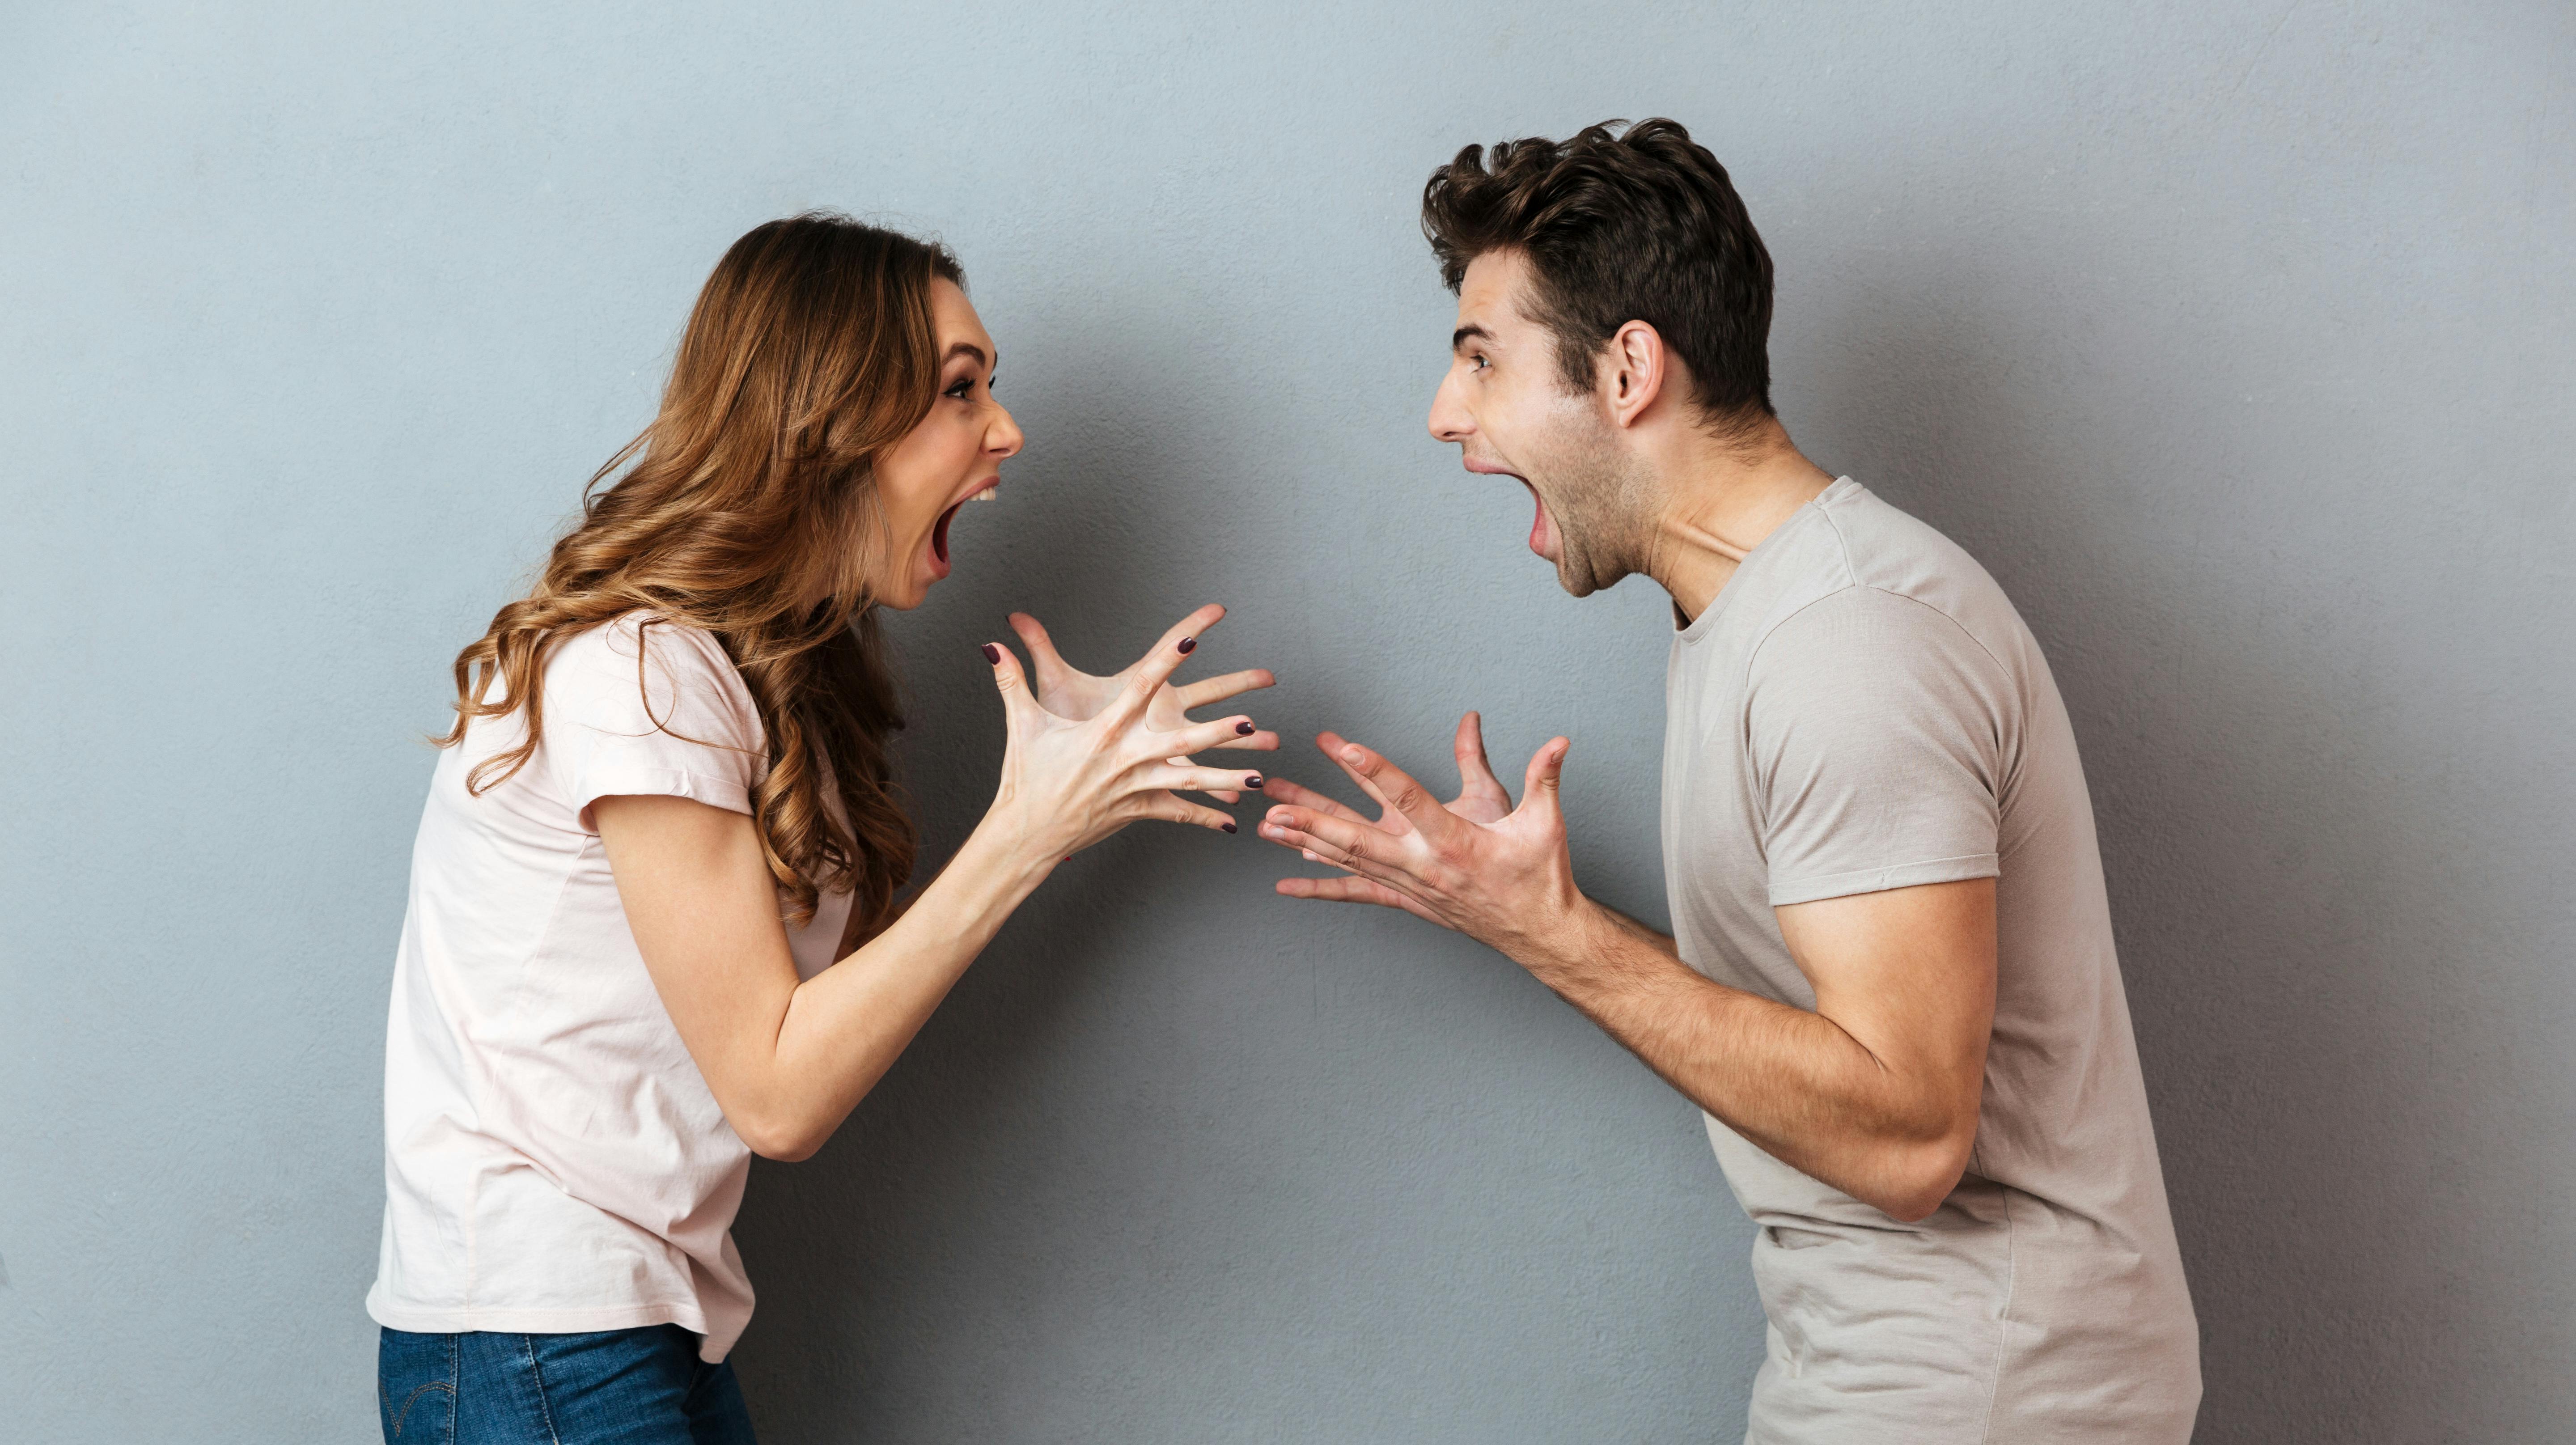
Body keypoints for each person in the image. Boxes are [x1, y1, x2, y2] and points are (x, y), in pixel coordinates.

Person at [1255, 120, 2200, 1441]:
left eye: (1482, 359)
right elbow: (1826, 1036)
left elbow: (1910, 1136)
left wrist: (1553, 936)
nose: (1444, 412)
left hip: (1987, 1390)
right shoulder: (1761, 617)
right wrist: (1517, 909)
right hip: (1907, 1369)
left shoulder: (1848, 645)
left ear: (1628, 370)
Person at [367, 213, 1277, 1444]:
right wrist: (1029, 829)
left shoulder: (754, 677)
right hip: (540, 1341)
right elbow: (779, 1095)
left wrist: (1062, 777)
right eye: (961, 389)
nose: (1007, 428)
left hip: (626, 1328)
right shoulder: (641, 671)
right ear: (830, 417)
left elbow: (816, 1025)